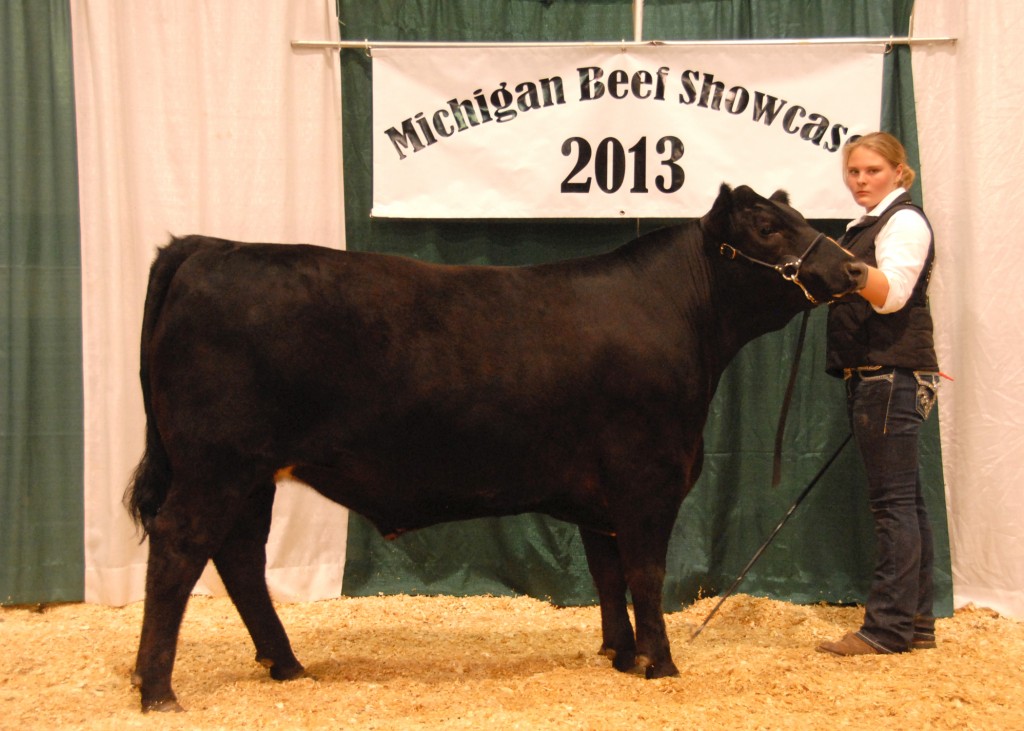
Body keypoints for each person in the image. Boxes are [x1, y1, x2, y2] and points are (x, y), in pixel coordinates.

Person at [816, 132, 941, 656]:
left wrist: (841, 266)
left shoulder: (904, 221)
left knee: (893, 506)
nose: (861, 180)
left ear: (898, 172)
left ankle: (886, 630)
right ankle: (915, 623)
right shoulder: (865, 225)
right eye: (854, 172)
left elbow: (891, 295)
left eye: (872, 171)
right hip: (878, 374)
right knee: (905, 502)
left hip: (889, 376)